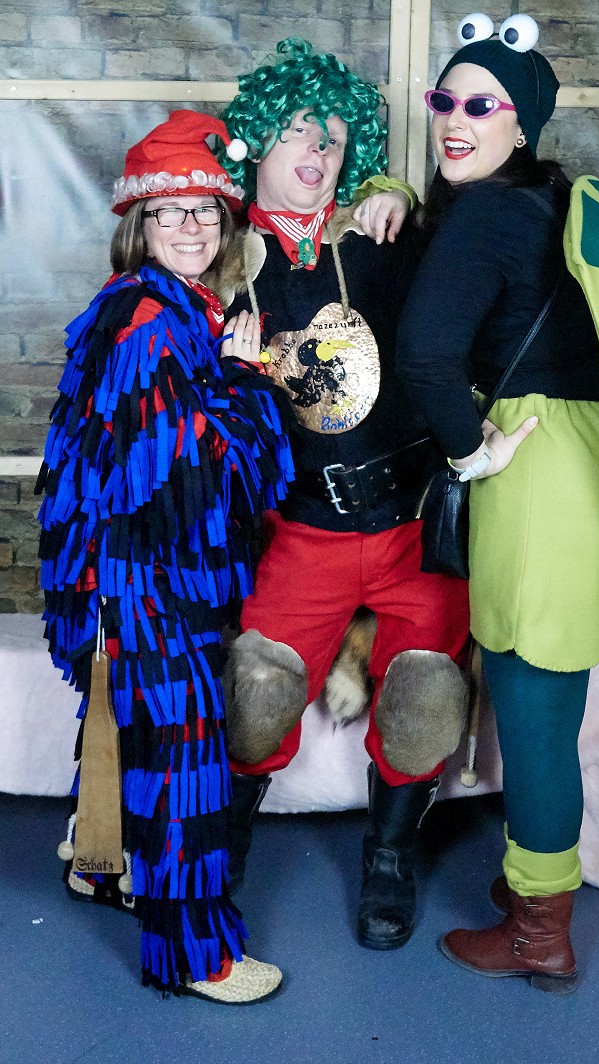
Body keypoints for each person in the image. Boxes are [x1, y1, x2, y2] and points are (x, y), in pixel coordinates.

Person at [396, 15, 599, 992]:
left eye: (480, 104)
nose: (453, 119)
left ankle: (539, 931)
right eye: (443, 99)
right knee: (552, 707)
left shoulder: (486, 215)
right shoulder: (563, 208)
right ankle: (534, 885)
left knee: (536, 722)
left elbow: (424, 357)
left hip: (537, 473)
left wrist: (469, 453)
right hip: (598, 469)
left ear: (521, 123)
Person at [208, 38, 471, 950]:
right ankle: (217, 861)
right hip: (303, 531)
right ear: (255, 142)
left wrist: (395, 191)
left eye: (331, 136)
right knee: (255, 695)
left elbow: (469, 261)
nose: (315, 151)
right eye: (295, 133)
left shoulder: (379, 235)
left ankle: (389, 859)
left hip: (412, 526)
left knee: (426, 696)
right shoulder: (218, 260)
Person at [38, 110, 295, 1003]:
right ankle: (194, 956)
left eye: (205, 211)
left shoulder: (168, 307)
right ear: (138, 225)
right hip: (144, 585)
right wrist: (247, 380)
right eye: (170, 212)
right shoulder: (150, 322)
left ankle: (99, 862)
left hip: (128, 575)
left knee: (127, 732)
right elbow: (200, 473)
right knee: (185, 764)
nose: (191, 227)